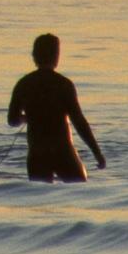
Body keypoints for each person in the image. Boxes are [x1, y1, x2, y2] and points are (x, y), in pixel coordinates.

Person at [8, 33, 106, 182]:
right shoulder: (64, 84)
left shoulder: (23, 84)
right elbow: (79, 122)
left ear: (34, 56)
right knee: (78, 189)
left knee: (39, 195)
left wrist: (26, 118)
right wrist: (97, 153)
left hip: (37, 154)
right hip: (62, 151)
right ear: (56, 56)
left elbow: (12, 120)